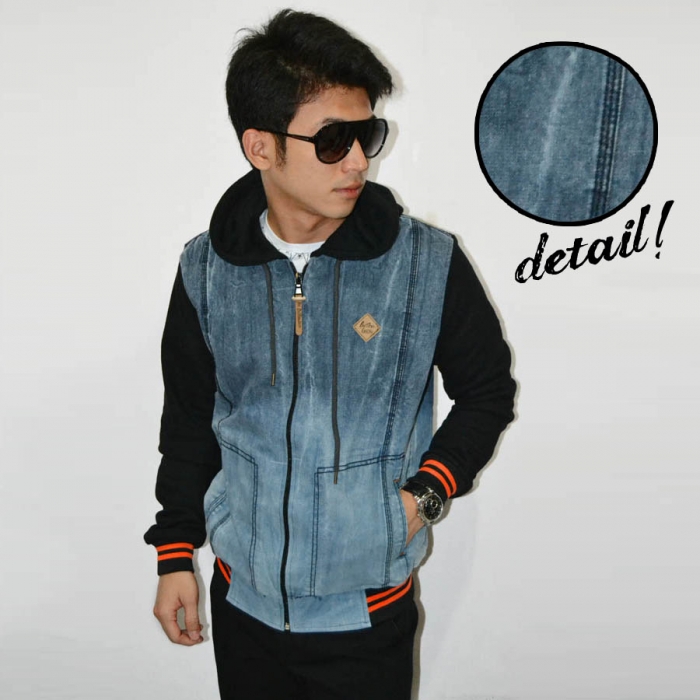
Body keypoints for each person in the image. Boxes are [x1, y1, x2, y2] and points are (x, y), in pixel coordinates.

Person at [144, 9, 515, 700]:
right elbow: (189, 420)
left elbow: (488, 391)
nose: (358, 161)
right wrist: (174, 552)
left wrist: (422, 496)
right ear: (261, 147)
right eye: (333, 140)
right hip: (242, 608)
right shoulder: (206, 270)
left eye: (367, 136)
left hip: (367, 616)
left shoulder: (425, 265)